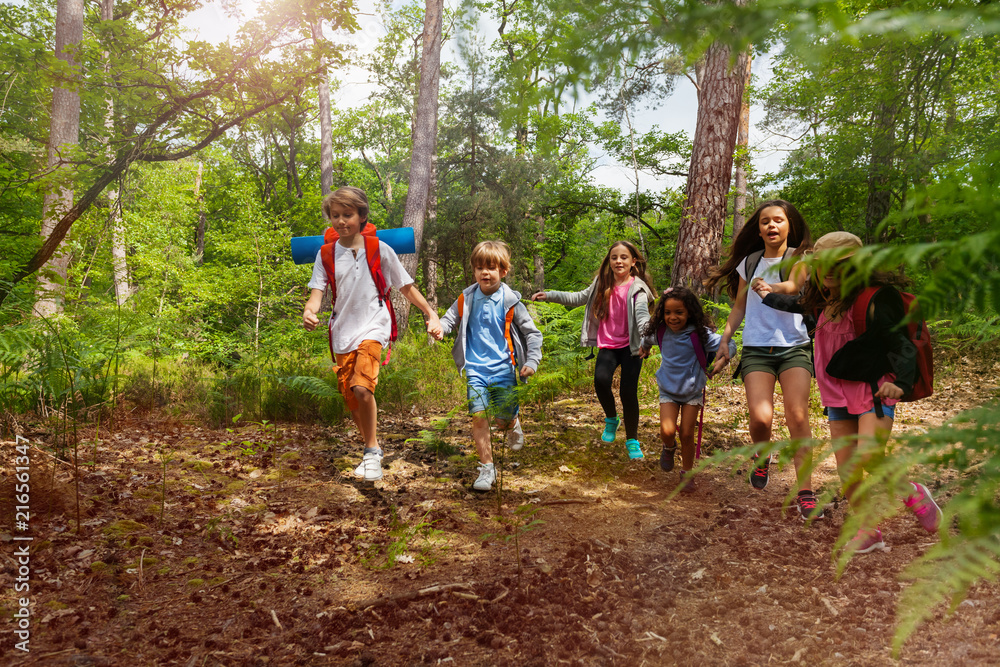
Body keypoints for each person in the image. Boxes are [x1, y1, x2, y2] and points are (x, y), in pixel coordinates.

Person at [760, 231, 942, 551]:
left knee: (870, 456)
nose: (829, 270)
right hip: (836, 396)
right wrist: (766, 294)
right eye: (823, 263)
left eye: (839, 263)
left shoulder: (873, 300)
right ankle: (866, 530)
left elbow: (900, 343)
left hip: (873, 389)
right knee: (848, 468)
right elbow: (794, 303)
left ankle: (911, 492)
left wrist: (899, 382)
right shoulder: (819, 303)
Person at [302, 186, 443, 482]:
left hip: (374, 326)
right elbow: (318, 292)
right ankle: (373, 449)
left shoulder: (380, 249)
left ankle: (370, 451)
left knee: (363, 387)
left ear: (362, 216)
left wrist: (430, 314)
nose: (341, 221)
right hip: (342, 331)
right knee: (353, 398)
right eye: (335, 215)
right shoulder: (326, 254)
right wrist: (310, 310)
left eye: (348, 215)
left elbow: (405, 287)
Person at [705, 200, 820, 520]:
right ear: (758, 229)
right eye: (765, 221)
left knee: (797, 417)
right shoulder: (750, 262)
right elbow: (739, 307)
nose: (772, 226)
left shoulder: (799, 258)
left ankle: (806, 491)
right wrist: (725, 340)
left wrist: (771, 287)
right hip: (757, 349)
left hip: (794, 347)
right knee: (760, 418)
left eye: (778, 220)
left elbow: (793, 286)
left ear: (789, 225)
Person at [532, 240, 655, 459]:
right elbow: (578, 297)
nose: (618, 261)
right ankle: (611, 419)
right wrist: (549, 295)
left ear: (633, 262)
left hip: (632, 347)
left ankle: (632, 439)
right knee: (600, 380)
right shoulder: (601, 283)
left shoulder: (638, 289)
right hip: (608, 344)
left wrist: (647, 340)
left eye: (624, 257)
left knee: (628, 392)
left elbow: (643, 317)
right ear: (609, 260)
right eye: (614, 257)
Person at [440, 241, 543, 492]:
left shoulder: (510, 301)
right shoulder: (466, 298)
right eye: (479, 267)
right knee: (479, 417)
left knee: (502, 420)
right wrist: (440, 328)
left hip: (505, 367)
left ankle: (513, 423)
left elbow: (532, 333)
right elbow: (449, 319)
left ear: (503, 271)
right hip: (475, 369)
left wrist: (531, 361)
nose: (485, 272)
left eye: (491, 267)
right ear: (474, 271)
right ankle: (487, 469)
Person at [640, 286, 736, 492]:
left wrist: (725, 358)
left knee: (686, 433)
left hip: (692, 391)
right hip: (668, 390)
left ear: (690, 312)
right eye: (667, 313)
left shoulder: (699, 335)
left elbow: (728, 343)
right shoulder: (661, 333)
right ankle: (669, 447)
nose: (672, 317)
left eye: (679, 312)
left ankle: (687, 473)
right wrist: (645, 348)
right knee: (666, 431)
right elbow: (647, 338)